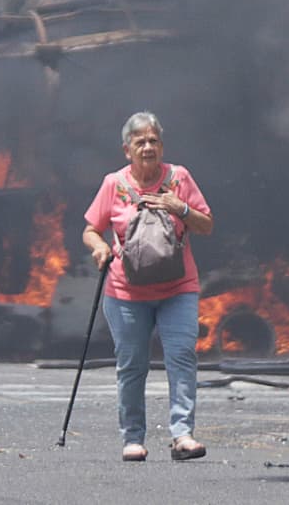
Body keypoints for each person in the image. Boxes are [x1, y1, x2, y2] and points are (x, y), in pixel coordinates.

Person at [83, 111, 214, 462]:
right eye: (139, 141)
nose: (147, 147)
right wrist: (99, 248)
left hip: (178, 289)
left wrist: (181, 207)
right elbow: (91, 228)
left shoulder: (179, 178)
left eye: (153, 140)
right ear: (127, 150)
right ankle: (133, 438)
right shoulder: (114, 183)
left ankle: (183, 435)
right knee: (131, 364)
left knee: (182, 357)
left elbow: (206, 225)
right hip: (126, 293)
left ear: (162, 145)